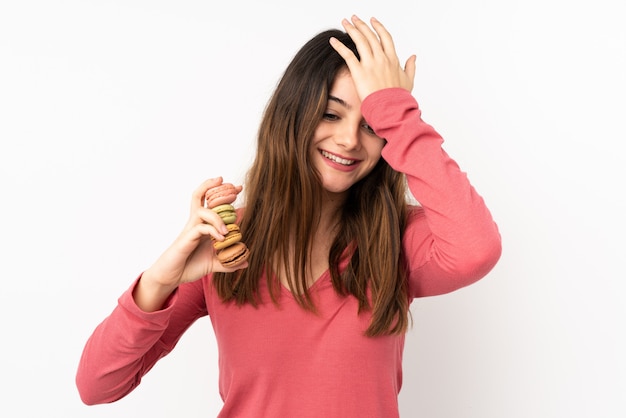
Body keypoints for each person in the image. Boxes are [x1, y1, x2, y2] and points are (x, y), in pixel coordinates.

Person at [76, 15, 501, 417]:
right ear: (293, 114)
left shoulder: (397, 238)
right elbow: (98, 386)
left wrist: (397, 113)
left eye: (372, 125)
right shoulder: (227, 243)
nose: (350, 139)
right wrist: (160, 281)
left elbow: (476, 249)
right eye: (331, 114)